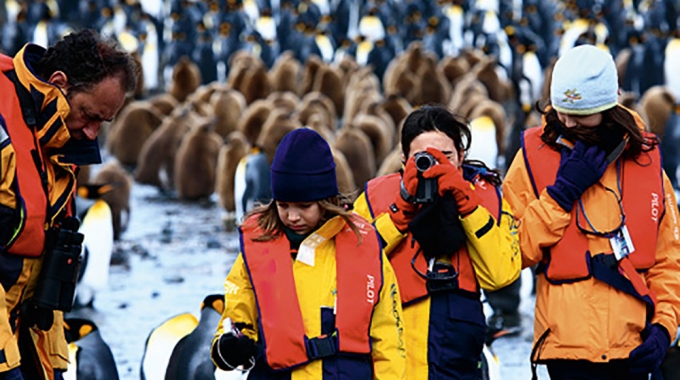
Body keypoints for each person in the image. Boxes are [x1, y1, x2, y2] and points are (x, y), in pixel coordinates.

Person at [503, 44, 680, 379]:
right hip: (566, 349)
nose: (567, 121)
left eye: (581, 113)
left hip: (635, 345)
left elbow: (669, 259)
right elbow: (510, 253)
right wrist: (560, 195)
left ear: (607, 106)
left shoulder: (645, 161)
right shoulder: (533, 157)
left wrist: (664, 328)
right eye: (561, 110)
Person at [210, 128, 406, 379]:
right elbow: (235, 319)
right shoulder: (259, 248)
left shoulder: (363, 247)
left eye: (304, 206)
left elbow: (388, 340)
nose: (292, 216)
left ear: (326, 200)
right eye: (283, 205)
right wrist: (229, 348)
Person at [0, 29, 137, 379]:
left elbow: (44, 266)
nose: (92, 133)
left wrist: (53, 365)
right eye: (88, 115)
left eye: (102, 123)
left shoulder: (58, 139)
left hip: (22, 328)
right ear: (59, 84)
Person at [353, 105, 521, 379]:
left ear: (463, 156)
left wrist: (468, 206)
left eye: (446, 156)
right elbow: (351, 268)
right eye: (423, 158)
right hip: (392, 362)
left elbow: (501, 274)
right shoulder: (376, 199)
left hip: (457, 358)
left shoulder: (485, 197)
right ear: (405, 157)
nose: (436, 166)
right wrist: (398, 213)